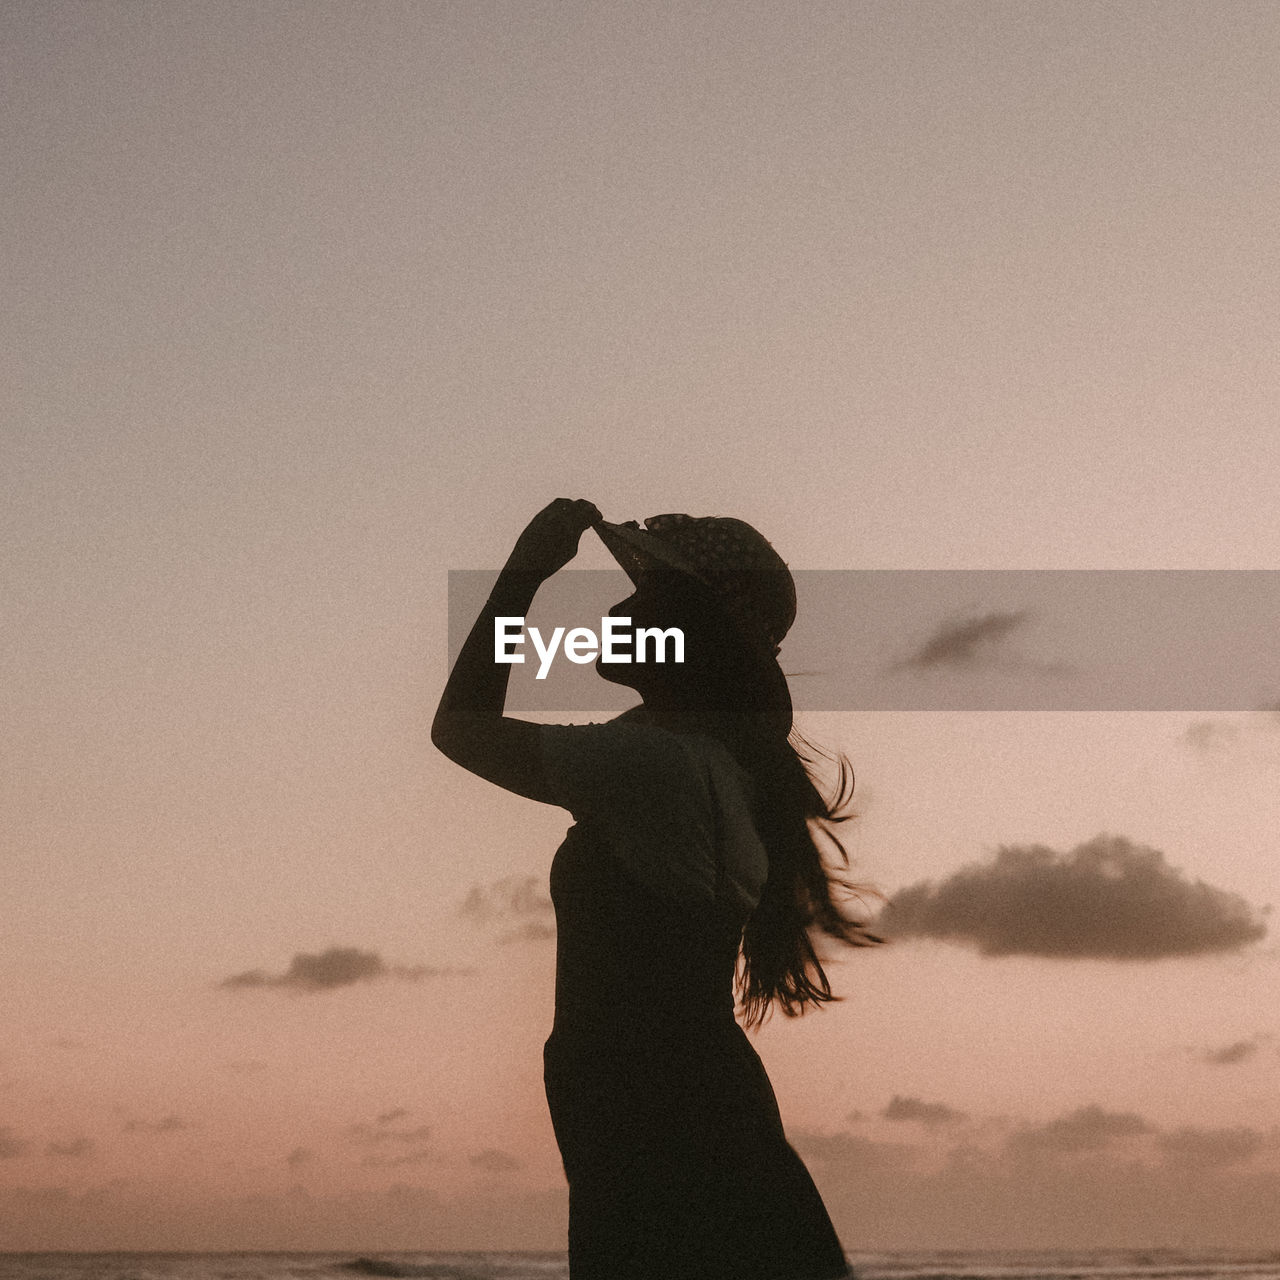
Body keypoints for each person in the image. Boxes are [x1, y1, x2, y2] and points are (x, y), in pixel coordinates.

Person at [432, 498, 879, 1280]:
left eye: (644, 599)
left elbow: (460, 728)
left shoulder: (654, 766)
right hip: (677, 1104)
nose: (616, 608)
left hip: (656, 1116)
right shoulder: (700, 761)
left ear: (688, 638)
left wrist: (523, 574)